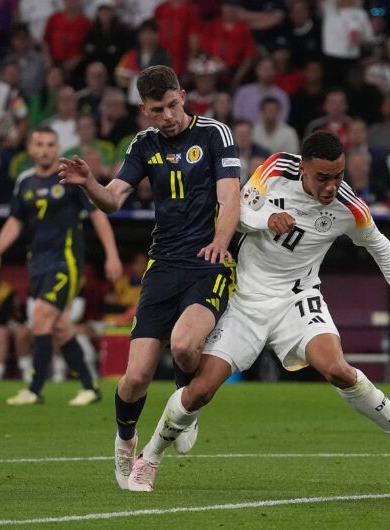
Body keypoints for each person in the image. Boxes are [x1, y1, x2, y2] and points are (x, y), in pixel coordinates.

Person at [125, 131, 390, 492]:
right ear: (303, 167)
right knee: (200, 391)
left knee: (338, 370)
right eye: (323, 177)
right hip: (245, 298)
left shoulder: (349, 207)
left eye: (338, 176)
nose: (331, 186)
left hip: (298, 299)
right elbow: (235, 212)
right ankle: (149, 459)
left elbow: (381, 247)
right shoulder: (275, 169)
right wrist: (267, 218)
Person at [57, 65, 241, 490]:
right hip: (163, 265)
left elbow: (230, 195)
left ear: (182, 95)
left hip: (207, 262)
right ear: (145, 110)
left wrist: (219, 241)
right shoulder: (144, 144)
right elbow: (114, 199)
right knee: (136, 377)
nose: (170, 116)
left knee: (183, 345)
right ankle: (125, 443)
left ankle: (185, 406)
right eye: (159, 110)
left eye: (174, 105)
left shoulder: (215, 134)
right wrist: (89, 184)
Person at [0, 126, 123, 404]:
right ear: (31, 149)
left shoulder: (70, 179)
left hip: (66, 263)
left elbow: (98, 217)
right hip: (37, 264)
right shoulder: (24, 181)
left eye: (51, 144)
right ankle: (90, 387)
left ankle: (35, 389)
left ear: (57, 148)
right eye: (40, 144)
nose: (46, 149)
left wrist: (111, 254)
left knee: (40, 317)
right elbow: (15, 221)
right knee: (60, 326)